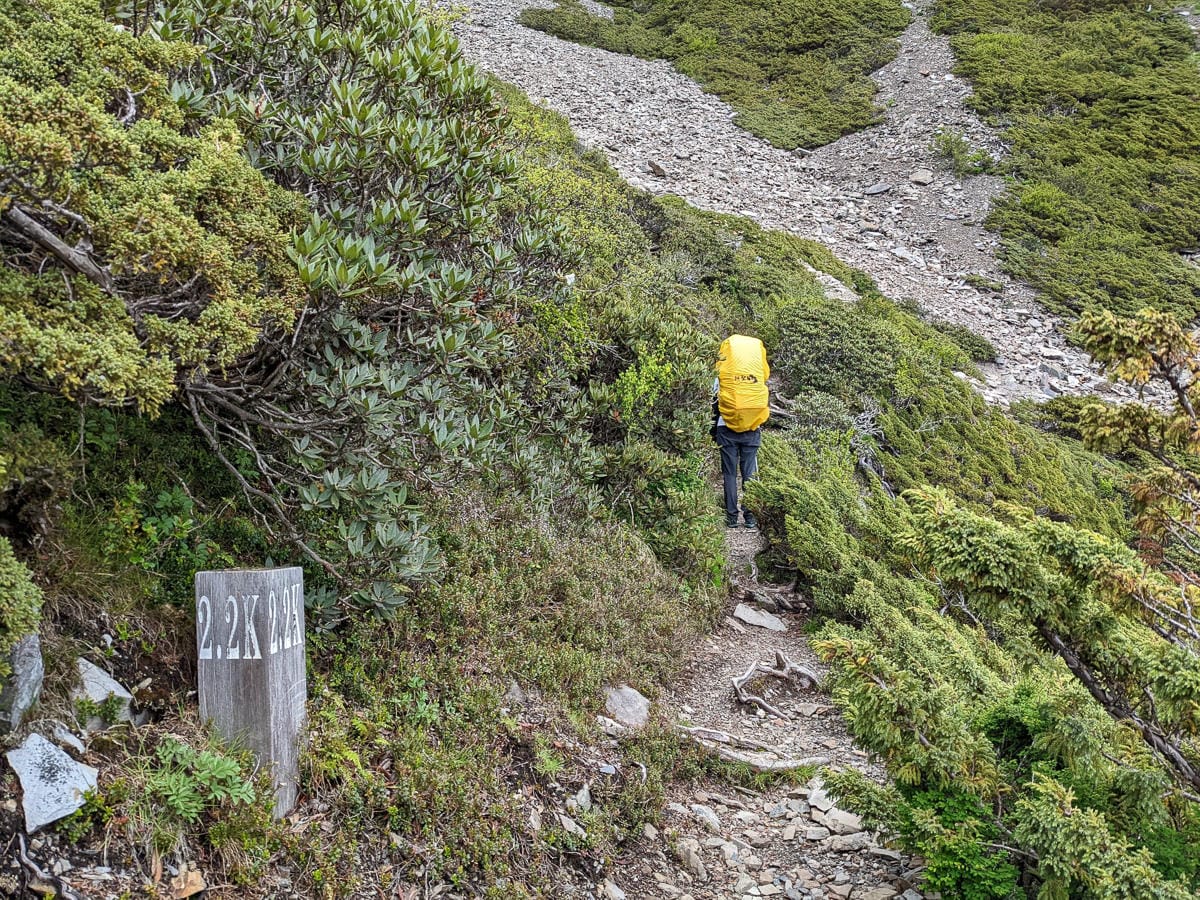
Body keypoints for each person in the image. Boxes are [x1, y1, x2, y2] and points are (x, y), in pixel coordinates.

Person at [712, 334, 769, 529]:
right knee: (750, 474)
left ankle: (732, 518)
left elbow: (713, 398)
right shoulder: (757, 372)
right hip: (752, 428)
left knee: (729, 474)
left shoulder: (723, 374)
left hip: (725, 427)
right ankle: (750, 516)